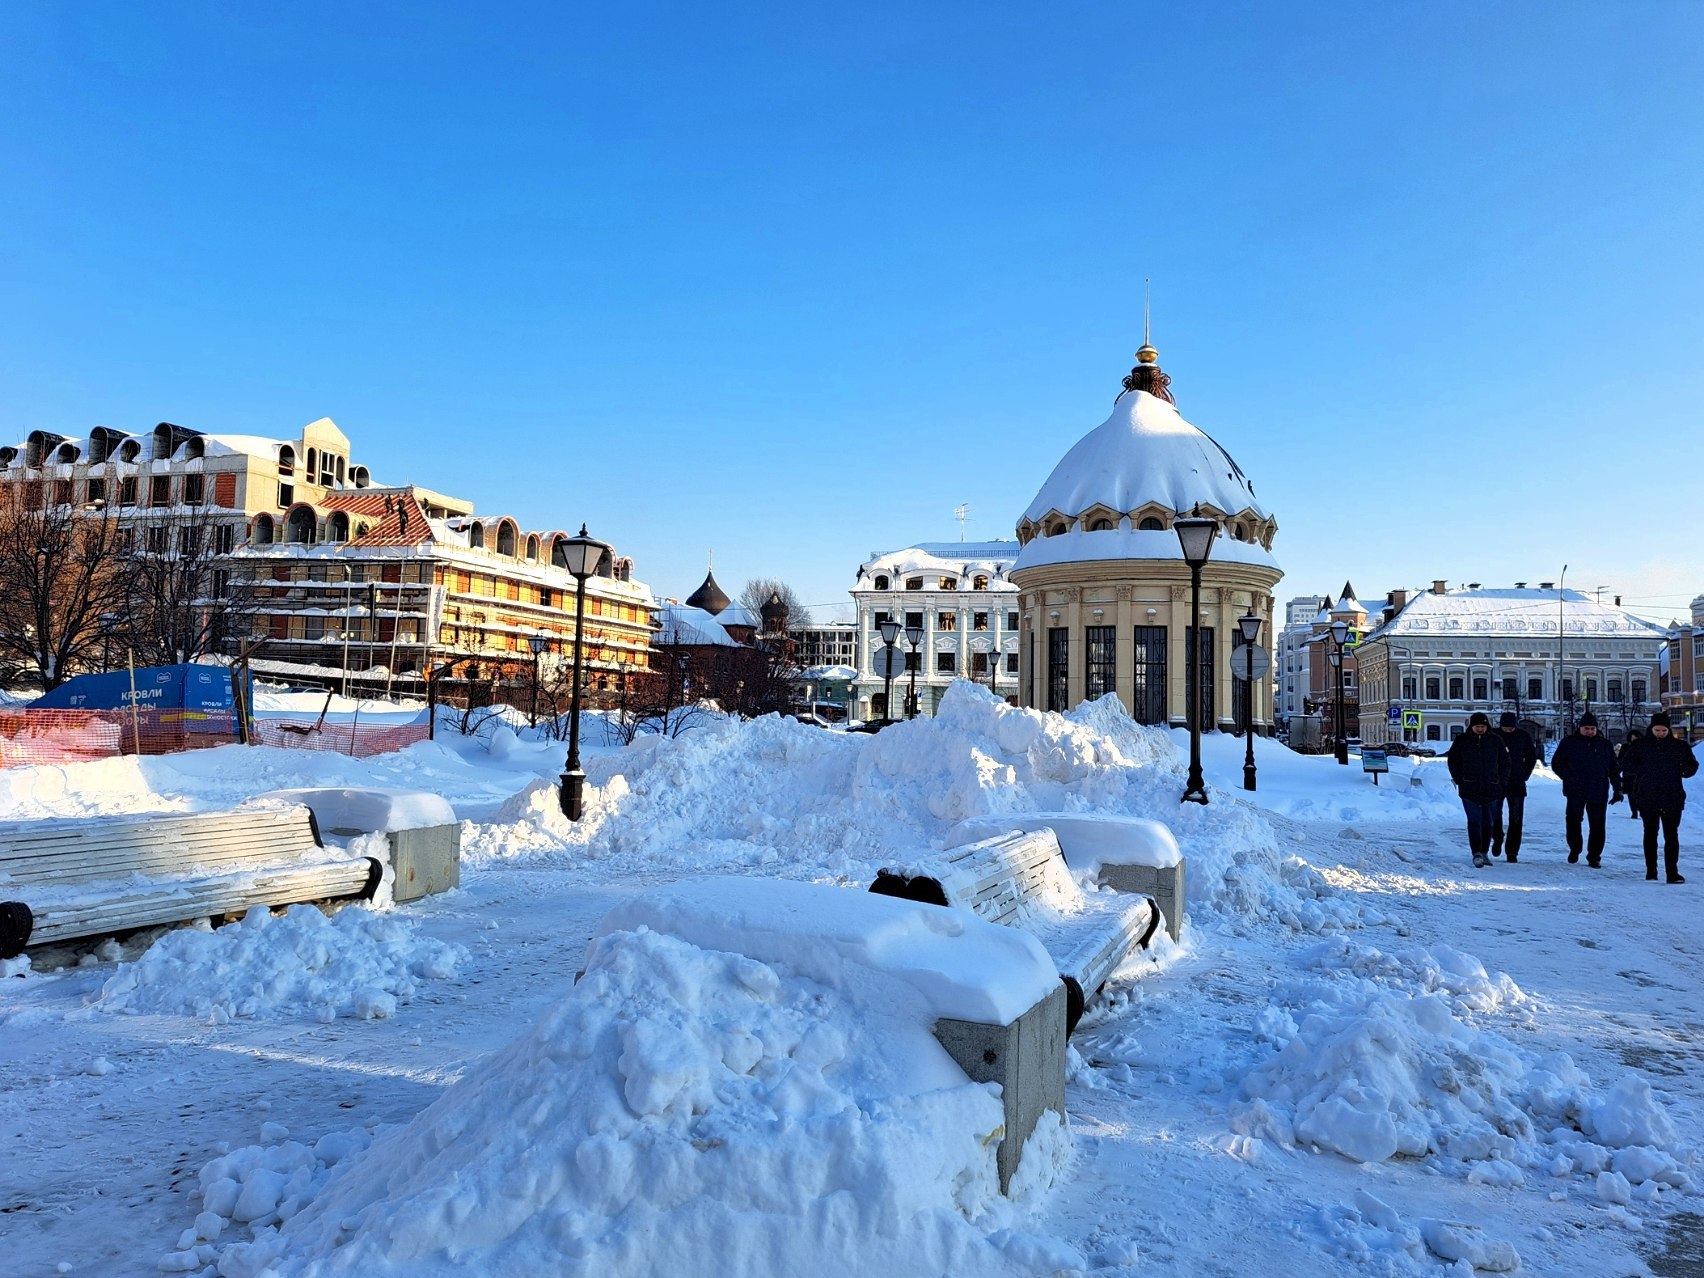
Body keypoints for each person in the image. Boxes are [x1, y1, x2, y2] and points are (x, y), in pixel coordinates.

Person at [1621, 712, 1699, 883]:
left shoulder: (1679, 746)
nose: (1661, 733)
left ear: (1668, 730)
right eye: (1657, 730)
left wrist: (1683, 771)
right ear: (1651, 728)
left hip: (1672, 796)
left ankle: (1672, 872)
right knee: (1650, 833)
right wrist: (1643, 770)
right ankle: (1651, 870)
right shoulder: (1640, 745)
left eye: (1664, 730)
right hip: (1647, 795)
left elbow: (1692, 765)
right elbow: (1625, 763)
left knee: (1671, 835)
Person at [1549, 711, 1621, 866]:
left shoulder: (1604, 745)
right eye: (1587, 728)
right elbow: (1557, 763)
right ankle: (1575, 848)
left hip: (1598, 789)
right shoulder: (1569, 743)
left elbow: (1614, 768)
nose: (1590, 731)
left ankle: (1594, 856)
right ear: (1580, 728)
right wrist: (1568, 777)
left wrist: (1617, 788)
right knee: (1573, 821)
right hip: (1576, 790)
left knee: (1597, 825)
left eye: (1592, 729)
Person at [1447, 712, 1510, 868]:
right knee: (1474, 821)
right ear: (1472, 727)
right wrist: (1460, 780)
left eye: (1482, 726)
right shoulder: (1462, 741)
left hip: (1492, 787)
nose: (1480, 729)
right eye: (1477, 727)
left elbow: (1505, 763)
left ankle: (1484, 851)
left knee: (1488, 822)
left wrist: (1501, 782)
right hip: (1469, 788)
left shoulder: (1495, 741)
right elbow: (1453, 762)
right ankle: (1476, 852)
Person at [1491, 712, 1539, 861]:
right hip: (1496, 782)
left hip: (1517, 782)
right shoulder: (1494, 735)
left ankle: (1512, 852)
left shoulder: (1523, 736)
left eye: (1511, 728)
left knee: (1516, 819)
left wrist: (1524, 774)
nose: (1508, 731)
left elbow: (1531, 757)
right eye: (1506, 728)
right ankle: (1497, 837)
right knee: (1494, 815)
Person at [1619, 728, 1645, 819]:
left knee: (1640, 794)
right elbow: (1620, 760)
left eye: (1636, 738)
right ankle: (1634, 812)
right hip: (1628, 774)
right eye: (1632, 738)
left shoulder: (1644, 748)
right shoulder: (1625, 747)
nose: (1634, 740)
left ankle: (1641, 810)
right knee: (1631, 794)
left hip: (1640, 774)